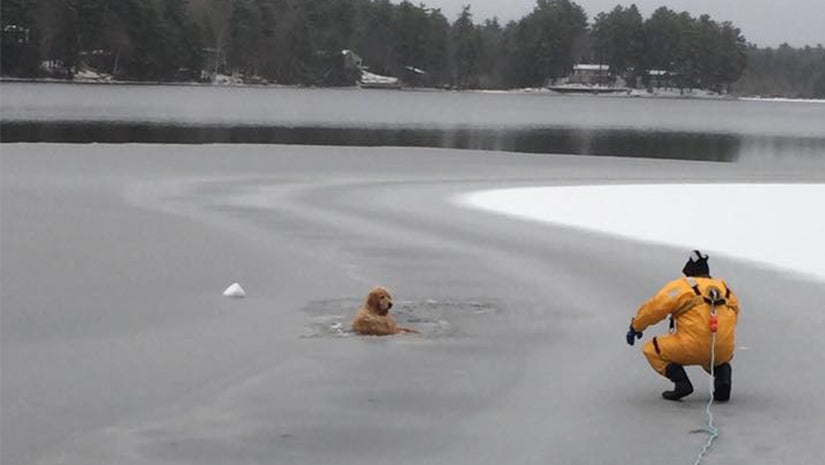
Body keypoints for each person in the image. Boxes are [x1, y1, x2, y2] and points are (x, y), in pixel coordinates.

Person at [626, 250, 740, 401]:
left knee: (652, 349)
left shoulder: (682, 286)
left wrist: (636, 326)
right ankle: (722, 379)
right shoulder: (724, 288)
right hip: (723, 349)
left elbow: (655, 309)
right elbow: (735, 313)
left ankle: (681, 383)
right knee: (717, 358)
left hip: (691, 346)